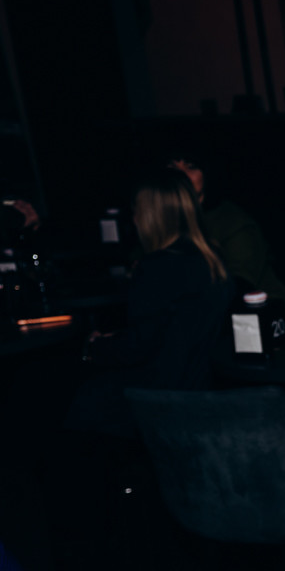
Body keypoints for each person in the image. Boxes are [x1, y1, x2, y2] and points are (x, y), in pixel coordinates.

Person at [66, 168, 236, 436]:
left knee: (69, 394)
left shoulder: (159, 266)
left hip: (160, 398)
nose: (133, 219)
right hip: (199, 388)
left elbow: (140, 347)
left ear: (150, 215)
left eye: (136, 210)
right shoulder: (212, 259)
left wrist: (96, 346)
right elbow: (171, 329)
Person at [167, 151, 285, 307]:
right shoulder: (161, 219)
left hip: (263, 311)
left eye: (191, 167)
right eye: (172, 167)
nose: (180, 174)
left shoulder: (233, 222)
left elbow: (239, 286)